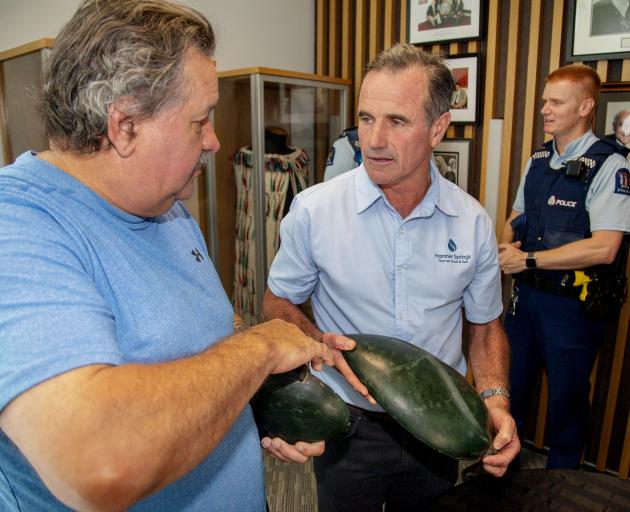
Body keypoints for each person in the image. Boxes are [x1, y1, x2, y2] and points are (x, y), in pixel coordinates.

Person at [0, 1, 349, 511]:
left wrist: (260, 400)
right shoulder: (20, 225)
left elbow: (203, 330)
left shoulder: (167, 206)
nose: (214, 141)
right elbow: (97, 461)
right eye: (200, 121)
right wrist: (261, 350)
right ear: (124, 128)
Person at [262, 43, 520, 512]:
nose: (373, 139)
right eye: (365, 118)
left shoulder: (472, 222)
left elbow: (485, 328)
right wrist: (318, 342)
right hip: (349, 422)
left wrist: (496, 400)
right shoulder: (315, 211)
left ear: (438, 128)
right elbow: (277, 303)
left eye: (396, 121)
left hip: (438, 426)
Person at [499, 64, 630, 470]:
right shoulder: (539, 158)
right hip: (526, 300)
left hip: (572, 308)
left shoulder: (611, 165)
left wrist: (528, 259)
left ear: (586, 106)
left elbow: (606, 247)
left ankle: (565, 482)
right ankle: (504, 469)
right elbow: (517, 215)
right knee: (511, 389)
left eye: (556, 102)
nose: (544, 109)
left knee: (567, 401)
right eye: (544, 100)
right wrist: (507, 245)